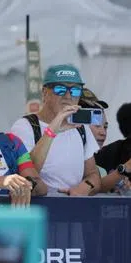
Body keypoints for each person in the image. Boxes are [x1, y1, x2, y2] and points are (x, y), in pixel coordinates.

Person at [7, 65, 100, 196]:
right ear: (45, 93)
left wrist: (86, 187)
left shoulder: (81, 127)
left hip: (75, 205)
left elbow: (93, 174)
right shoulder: (25, 126)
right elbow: (26, 175)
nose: (68, 96)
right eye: (60, 89)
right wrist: (51, 130)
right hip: (39, 207)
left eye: (75, 91)